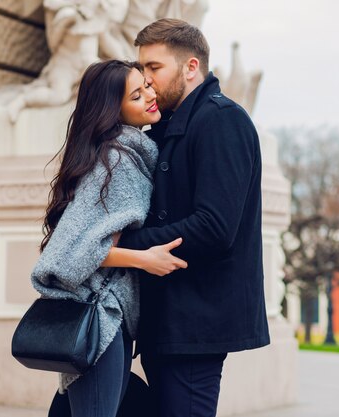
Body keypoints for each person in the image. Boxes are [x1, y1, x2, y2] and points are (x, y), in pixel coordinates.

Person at [117, 19, 270, 417]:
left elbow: (215, 227)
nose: (146, 80)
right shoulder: (166, 127)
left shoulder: (222, 120)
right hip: (167, 320)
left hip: (196, 323)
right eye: (143, 69)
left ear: (190, 68)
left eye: (154, 68)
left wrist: (126, 246)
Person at [31, 59, 187, 417]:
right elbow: (76, 252)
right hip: (100, 317)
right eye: (137, 95)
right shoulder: (117, 161)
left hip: (110, 317)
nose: (150, 96)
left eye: (146, 86)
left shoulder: (128, 154)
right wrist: (145, 258)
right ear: (113, 111)